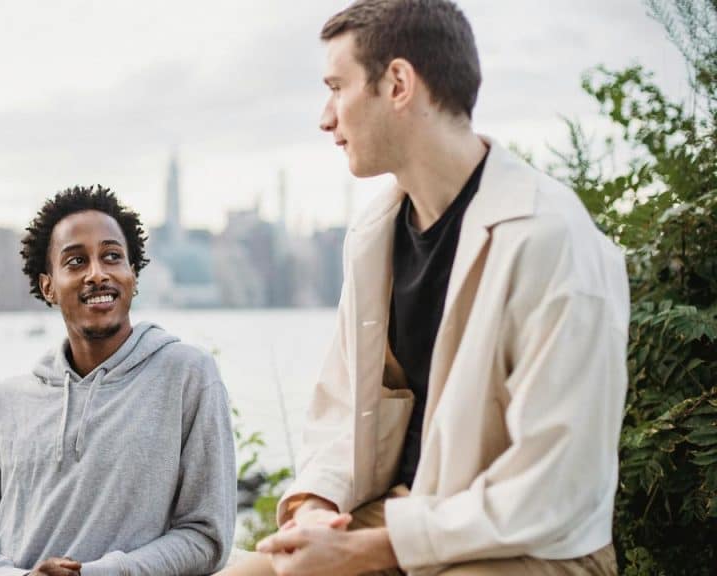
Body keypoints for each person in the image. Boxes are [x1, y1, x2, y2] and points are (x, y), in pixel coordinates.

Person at [221, 1, 629, 574]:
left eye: (337, 87)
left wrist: (362, 551)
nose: (325, 117)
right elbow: (343, 410)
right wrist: (317, 507)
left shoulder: (550, 238)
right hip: (402, 520)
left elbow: (558, 485)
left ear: (398, 83)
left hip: (533, 549)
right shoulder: (372, 236)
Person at [0, 185, 236, 576]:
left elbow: (207, 537)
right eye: (75, 262)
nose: (98, 274)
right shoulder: (7, 402)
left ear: (133, 276)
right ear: (47, 286)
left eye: (112, 257)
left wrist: (100, 574)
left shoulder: (187, 375)